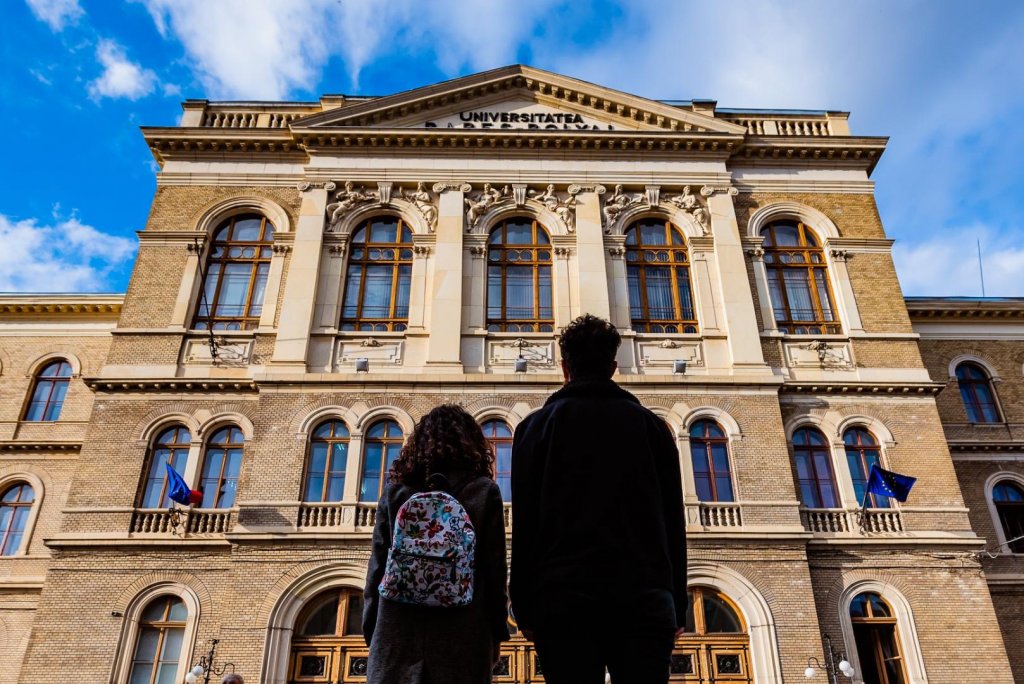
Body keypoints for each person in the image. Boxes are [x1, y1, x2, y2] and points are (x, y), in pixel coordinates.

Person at [510, 314, 687, 684]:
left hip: (563, 602)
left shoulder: (534, 429)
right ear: (613, 367)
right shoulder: (655, 429)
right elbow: (673, 523)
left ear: (564, 368)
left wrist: (523, 608)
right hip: (643, 601)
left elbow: (525, 526)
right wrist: (677, 607)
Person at [364, 404, 510, 684]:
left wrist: (374, 627)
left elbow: (377, 568)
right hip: (464, 634)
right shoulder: (483, 491)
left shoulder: (396, 492)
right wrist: (496, 633)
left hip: (396, 632)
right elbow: (494, 573)